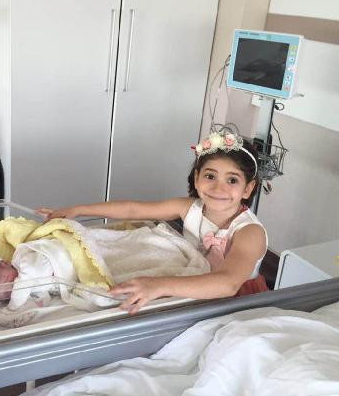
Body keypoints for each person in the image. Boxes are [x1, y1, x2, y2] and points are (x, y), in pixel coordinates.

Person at [37, 131, 268, 314]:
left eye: (232, 180)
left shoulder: (249, 232)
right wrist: (77, 210)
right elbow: (134, 210)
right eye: (210, 176)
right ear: (197, 178)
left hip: (230, 302)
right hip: (186, 281)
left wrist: (158, 285)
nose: (219, 188)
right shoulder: (190, 207)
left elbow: (228, 284)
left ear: (248, 189)